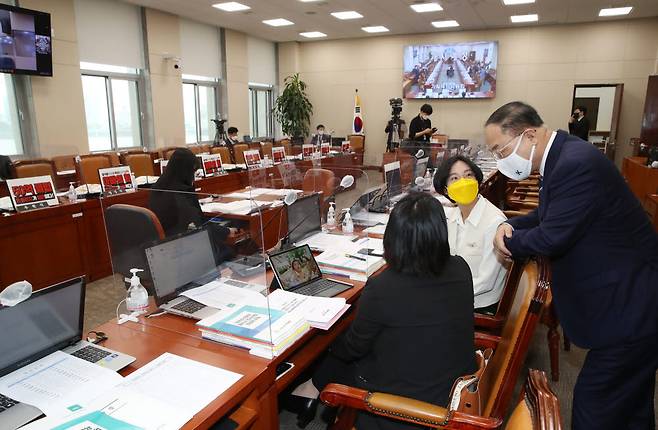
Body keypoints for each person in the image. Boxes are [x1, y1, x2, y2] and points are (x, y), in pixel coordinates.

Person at [484, 101, 658, 430]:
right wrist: (511, 225)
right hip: (628, 302)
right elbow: (550, 215)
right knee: (632, 407)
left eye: (500, 149)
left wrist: (507, 242)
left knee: (595, 407)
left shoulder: (574, 163)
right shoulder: (563, 155)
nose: (499, 159)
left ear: (529, 135)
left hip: (631, 307)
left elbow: (552, 237)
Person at [296, 192, 476, 429]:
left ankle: (310, 387)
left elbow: (354, 347)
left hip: (409, 407)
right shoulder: (461, 268)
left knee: (342, 351)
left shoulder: (384, 286)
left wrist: (328, 344)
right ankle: (312, 387)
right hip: (452, 384)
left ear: (392, 237)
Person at [434, 155, 509, 315]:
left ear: (477, 180)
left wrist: (442, 294)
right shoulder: (452, 216)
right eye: (454, 178)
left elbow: (486, 282)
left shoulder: (494, 222)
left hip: (478, 305)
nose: (463, 182)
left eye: (468, 175)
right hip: (454, 292)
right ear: (446, 190)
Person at [149, 148, 236, 262]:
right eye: (193, 171)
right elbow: (199, 226)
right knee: (232, 251)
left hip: (169, 246)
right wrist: (227, 231)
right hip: (187, 247)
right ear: (186, 171)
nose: (194, 176)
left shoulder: (158, 187)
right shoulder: (182, 192)